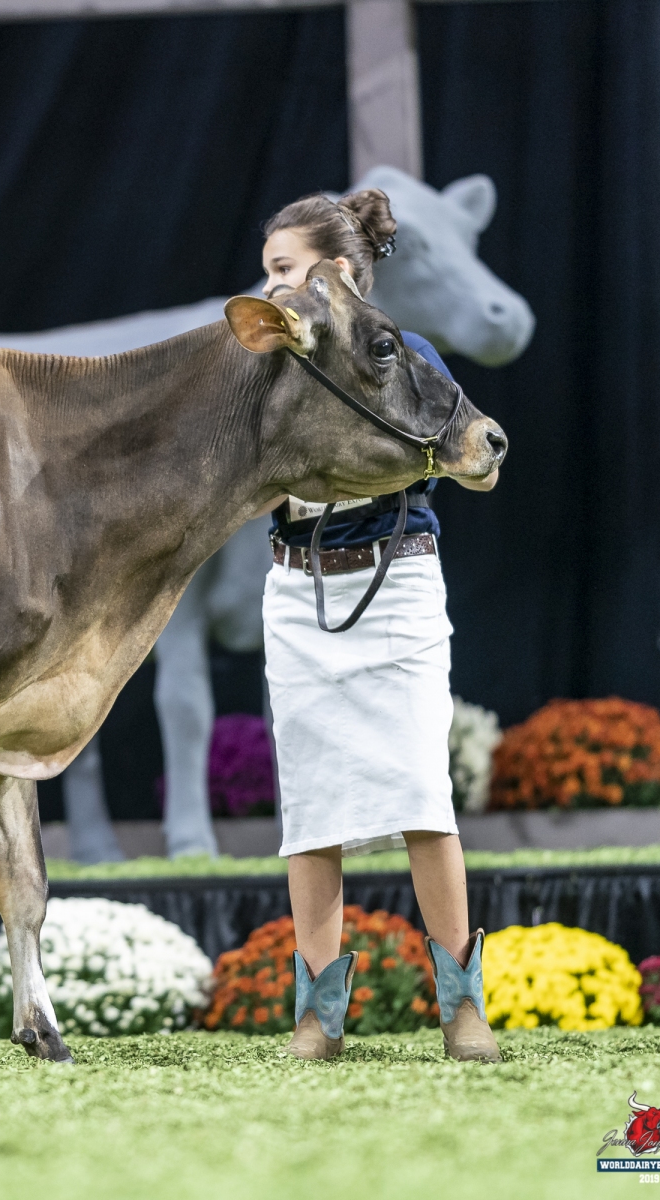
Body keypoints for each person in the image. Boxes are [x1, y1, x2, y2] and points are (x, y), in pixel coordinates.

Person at [257, 190, 501, 1062]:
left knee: (422, 796)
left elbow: (477, 460)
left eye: (285, 268)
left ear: (338, 273)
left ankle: (462, 1006)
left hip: (395, 587)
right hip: (298, 593)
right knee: (310, 811)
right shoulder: (268, 365)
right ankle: (318, 1015)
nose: (272, 284)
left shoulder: (406, 354)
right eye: (268, 270)